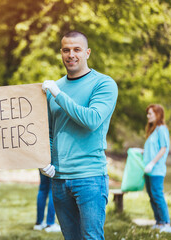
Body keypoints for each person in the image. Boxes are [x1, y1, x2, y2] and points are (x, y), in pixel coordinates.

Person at [41, 30, 118, 239]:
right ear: (61, 53)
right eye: (66, 50)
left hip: (90, 178)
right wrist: (44, 161)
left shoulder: (103, 84)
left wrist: (59, 95)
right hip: (58, 179)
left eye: (77, 49)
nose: (71, 54)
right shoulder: (54, 88)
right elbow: (49, 133)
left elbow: (91, 120)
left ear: (87, 53)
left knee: (91, 237)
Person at [142, 104, 171, 233]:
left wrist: (152, 163)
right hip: (148, 170)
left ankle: (166, 223)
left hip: (156, 170)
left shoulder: (162, 129)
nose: (148, 116)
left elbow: (163, 148)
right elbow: (151, 150)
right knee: (152, 196)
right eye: (148, 113)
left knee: (157, 195)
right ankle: (159, 222)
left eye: (150, 114)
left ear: (158, 114)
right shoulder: (152, 130)